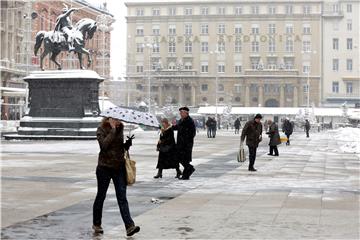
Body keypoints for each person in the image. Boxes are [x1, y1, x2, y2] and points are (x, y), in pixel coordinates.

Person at [93, 117, 140, 236]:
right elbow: (104, 146)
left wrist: (127, 145)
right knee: (101, 196)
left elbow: (117, 148)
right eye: (116, 120)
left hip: (118, 168)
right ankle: (97, 224)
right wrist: (113, 130)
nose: (118, 122)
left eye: (119, 120)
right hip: (104, 167)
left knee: (122, 197)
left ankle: (129, 226)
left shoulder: (120, 128)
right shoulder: (101, 129)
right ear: (109, 119)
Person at [172, 107, 196, 180]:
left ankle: (187, 172)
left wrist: (186, 140)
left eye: (182, 112)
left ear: (186, 113)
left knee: (184, 159)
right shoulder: (181, 120)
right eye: (180, 112)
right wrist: (169, 127)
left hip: (186, 144)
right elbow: (177, 127)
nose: (180, 114)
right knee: (180, 159)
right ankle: (188, 171)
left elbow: (193, 133)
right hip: (180, 143)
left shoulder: (190, 121)